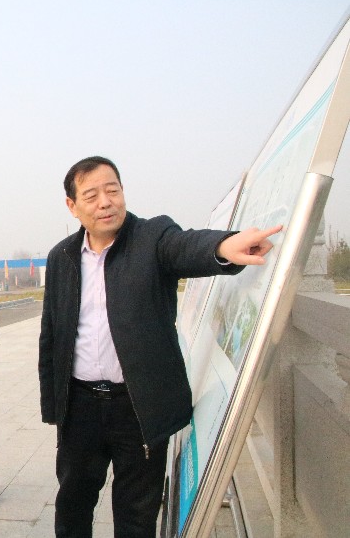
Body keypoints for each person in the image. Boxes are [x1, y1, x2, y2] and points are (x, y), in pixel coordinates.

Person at [38, 156, 282, 538]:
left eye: (112, 190)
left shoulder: (152, 237)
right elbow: (51, 334)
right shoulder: (61, 257)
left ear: (122, 191)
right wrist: (54, 407)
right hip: (80, 407)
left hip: (139, 407)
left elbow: (185, 246)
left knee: (137, 515)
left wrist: (223, 245)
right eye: (92, 195)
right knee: (73, 505)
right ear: (72, 206)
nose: (105, 202)